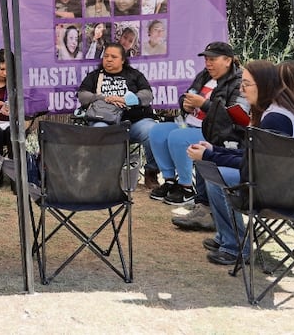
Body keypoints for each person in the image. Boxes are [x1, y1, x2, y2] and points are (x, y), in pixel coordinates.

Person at [187, 60, 294, 265]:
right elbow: (252, 157)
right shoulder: (280, 109)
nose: (241, 89)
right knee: (216, 170)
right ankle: (227, 238)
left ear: (264, 85)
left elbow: (252, 164)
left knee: (216, 176)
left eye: (246, 84)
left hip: (293, 194)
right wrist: (214, 150)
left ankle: (235, 247)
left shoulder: (276, 118)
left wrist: (209, 156)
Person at [149, 41, 247, 229]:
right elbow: (188, 94)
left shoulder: (238, 82)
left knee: (178, 137)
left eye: (213, 60)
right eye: (206, 60)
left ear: (228, 61)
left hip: (217, 132)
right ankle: (170, 181)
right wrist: (184, 104)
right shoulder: (204, 75)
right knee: (157, 131)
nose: (208, 64)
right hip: (190, 123)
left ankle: (186, 188)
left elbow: (234, 116)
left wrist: (204, 105)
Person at [76, 42, 159, 187]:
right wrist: (104, 98)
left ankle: (151, 172)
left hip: (134, 124)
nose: (108, 59)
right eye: (106, 56)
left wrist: (126, 100)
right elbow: (83, 96)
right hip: (105, 122)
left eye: (113, 57)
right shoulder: (95, 76)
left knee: (152, 131)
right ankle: (106, 177)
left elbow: (147, 95)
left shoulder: (134, 75)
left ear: (123, 60)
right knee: (98, 130)